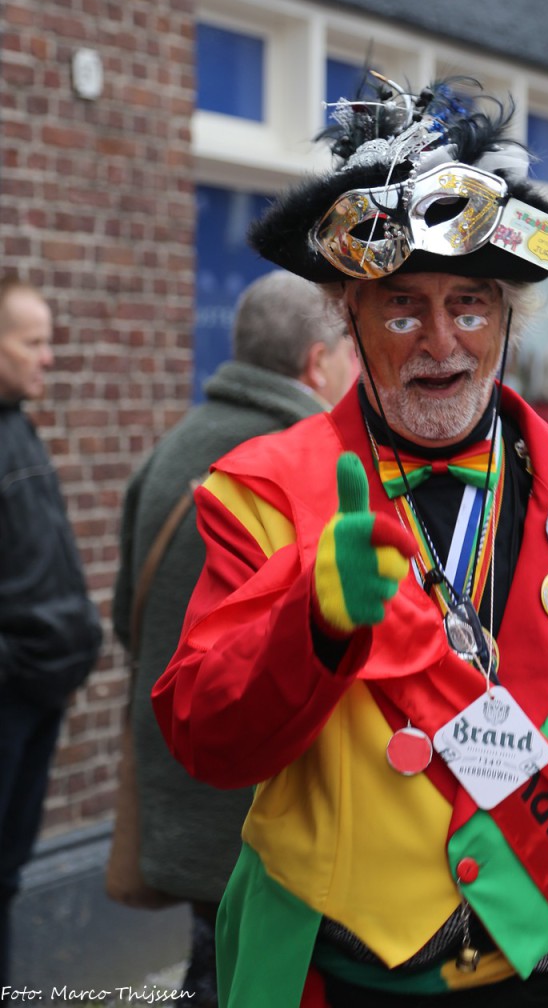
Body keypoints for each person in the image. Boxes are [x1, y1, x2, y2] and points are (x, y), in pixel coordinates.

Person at [151, 76, 548, 1008]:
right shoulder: (261, 494)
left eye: (470, 305)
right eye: (401, 307)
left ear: (508, 321)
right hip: (340, 985)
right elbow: (204, 738)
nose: (440, 341)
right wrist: (313, 621)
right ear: (349, 317)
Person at [112, 270, 358, 1008]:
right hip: (256, 801)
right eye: (351, 350)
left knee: (210, 961)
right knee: (240, 975)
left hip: (180, 778)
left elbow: (125, 613)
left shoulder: (174, 445)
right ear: (317, 362)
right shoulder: (291, 468)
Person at [0, 277, 101, 985]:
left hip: (37, 693)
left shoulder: (18, 428)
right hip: (11, 693)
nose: (49, 358)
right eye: (33, 342)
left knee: (8, 873)